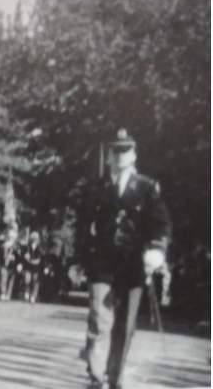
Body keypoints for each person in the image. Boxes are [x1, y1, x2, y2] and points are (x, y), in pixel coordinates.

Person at [77, 129, 171, 389]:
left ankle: (115, 375)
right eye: (115, 151)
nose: (120, 156)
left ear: (134, 155)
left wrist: (156, 249)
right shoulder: (95, 188)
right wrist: (78, 258)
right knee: (100, 317)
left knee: (125, 325)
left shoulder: (147, 188)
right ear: (108, 156)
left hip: (133, 265)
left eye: (125, 151)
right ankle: (96, 377)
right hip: (103, 263)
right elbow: (83, 226)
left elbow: (161, 224)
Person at [22, 231, 44, 304]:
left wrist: (30, 261)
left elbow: (39, 260)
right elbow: (23, 256)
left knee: (35, 281)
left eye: (35, 238)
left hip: (36, 268)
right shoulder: (27, 247)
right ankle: (27, 293)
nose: (34, 239)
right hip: (28, 267)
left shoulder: (40, 248)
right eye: (33, 238)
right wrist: (25, 257)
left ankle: (33, 296)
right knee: (27, 280)